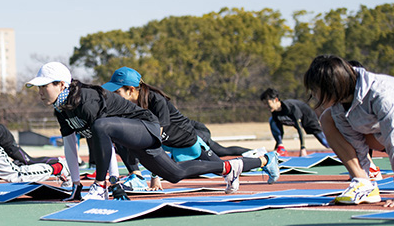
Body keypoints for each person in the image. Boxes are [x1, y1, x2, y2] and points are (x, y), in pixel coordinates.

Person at [27, 62, 276, 201]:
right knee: (176, 174)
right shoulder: (62, 109)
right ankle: (235, 167)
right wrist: (75, 185)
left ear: (61, 84)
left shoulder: (86, 99)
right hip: (133, 137)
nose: (39, 92)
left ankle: (100, 186)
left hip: (146, 127)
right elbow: (70, 145)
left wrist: (107, 183)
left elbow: (106, 139)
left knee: (101, 126)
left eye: (43, 86)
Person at [102, 66, 279, 192]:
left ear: (131, 90)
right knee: (122, 137)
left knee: (223, 167)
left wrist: (155, 176)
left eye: (117, 92)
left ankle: (265, 160)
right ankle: (136, 176)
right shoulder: (128, 108)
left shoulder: (156, 101)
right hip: (167, 143)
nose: (114, 96)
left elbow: (156, 139)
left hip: (189, 143)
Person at [304, 55, 394, 207]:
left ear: (331, 86)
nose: (313, 95)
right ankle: (363, 184)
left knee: (393, 142)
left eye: (315, 90)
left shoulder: (382, 93)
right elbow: (356, 144)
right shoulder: (339, 105)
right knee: (328, 118)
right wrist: (365, 177)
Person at [260, 88, 328, 156]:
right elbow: (279, 131)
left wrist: (303, 148)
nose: (266, 106)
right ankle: (281, 149)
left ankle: (336, 147)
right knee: (272, 120)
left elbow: (299, 128)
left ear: (276, 100)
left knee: (325, 142)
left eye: (267, 103)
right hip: (293, 121)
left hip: (308, 119)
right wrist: (276, 149)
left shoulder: (291, 108)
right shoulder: (275, 112)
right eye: (264, 104)